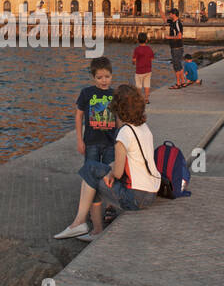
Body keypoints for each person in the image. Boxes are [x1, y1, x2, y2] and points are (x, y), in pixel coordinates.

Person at [54, 85, 161, 242]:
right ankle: (86, 226)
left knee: (91, 175)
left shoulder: (124, 133)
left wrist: (110, 173)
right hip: (151, 191)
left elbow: (117, 173)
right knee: (94, 172)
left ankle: (85, 225)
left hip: (136, 197)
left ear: (118, 110)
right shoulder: (143, 127)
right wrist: (109, 170)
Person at [75, 56, 117, 170]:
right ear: (93, 77)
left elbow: (120, 119)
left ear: (112, 75)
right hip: (91, 142)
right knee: (91, 173)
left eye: (107, 77)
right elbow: (79, 116)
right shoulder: (86, 92)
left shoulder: (116, 94)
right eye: (99, 77)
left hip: (111, 143)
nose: (104, 80)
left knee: (109, 174)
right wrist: (79, 140)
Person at [164, 9, 187, 88]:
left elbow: (179, 36)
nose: (169, 15)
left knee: (176, 66)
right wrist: (160, 9)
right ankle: (183, 82)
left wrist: (169, 37)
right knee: (179, 65)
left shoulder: (177, 23)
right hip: (176, 47)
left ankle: (178, 83)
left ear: (174, 14)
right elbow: (164, 19)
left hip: (176, 48)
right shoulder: (172, 22)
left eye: (170, 14)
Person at [132, 32, 154, 104]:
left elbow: (134, 60)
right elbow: (151, 58)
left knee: (138, 86)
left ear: (138, 40)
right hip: (148, 70)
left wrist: (134, 63)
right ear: (146, 40)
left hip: (139, 70)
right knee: (147, 85)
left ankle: (139, 99)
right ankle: (146, 99)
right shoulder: (149, 49)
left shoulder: (137, 49)